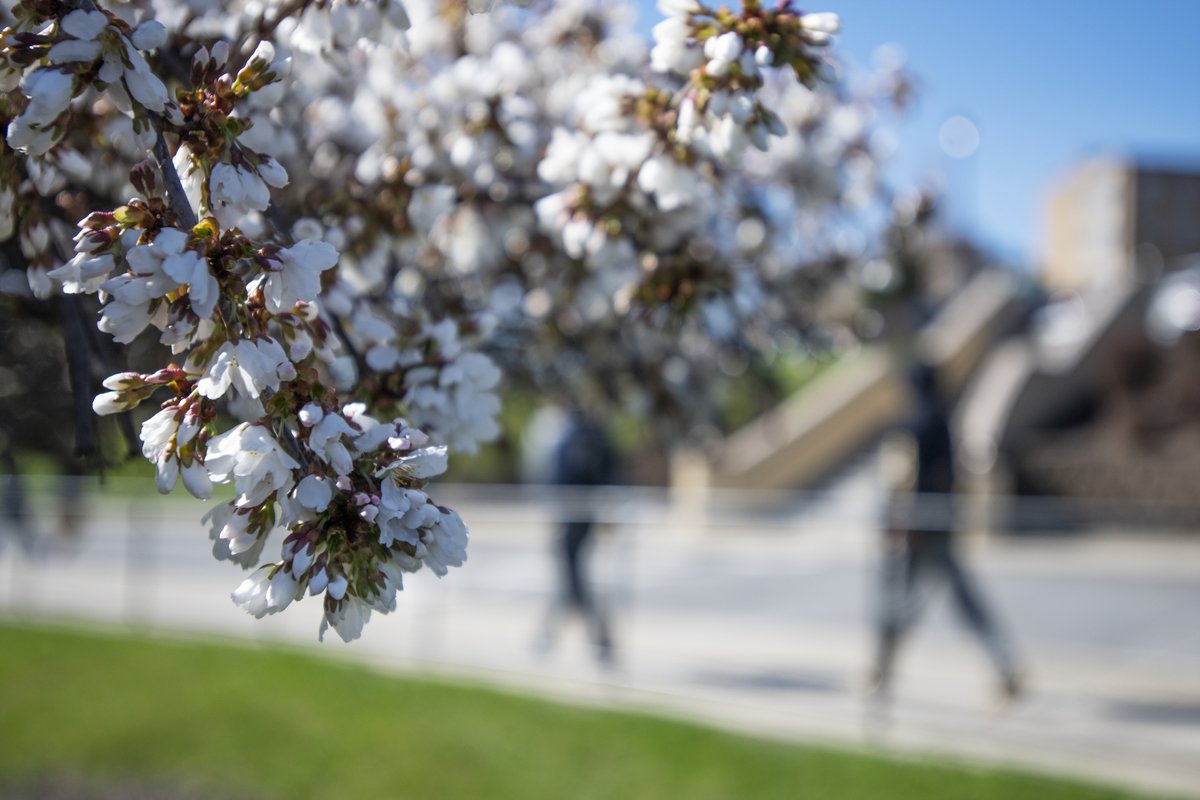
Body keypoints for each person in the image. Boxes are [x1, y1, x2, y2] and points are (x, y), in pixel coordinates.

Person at [870, 361, 1022, 706]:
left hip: (918, 528)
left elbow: (906, 480)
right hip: (936, 525)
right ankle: (1003, 668)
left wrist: (905, 522)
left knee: (900, 604)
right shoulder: (943, 424)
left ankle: (882, 671)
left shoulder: (917, 427)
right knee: (956, 603)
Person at [535, 411, 617, 666]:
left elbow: (597, 475)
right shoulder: (572, 434)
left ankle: (596, 639)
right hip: (569, 516)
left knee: (573, 579)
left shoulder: (584, 437)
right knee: (571, 580)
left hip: (578, 518)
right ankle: (597, 639)